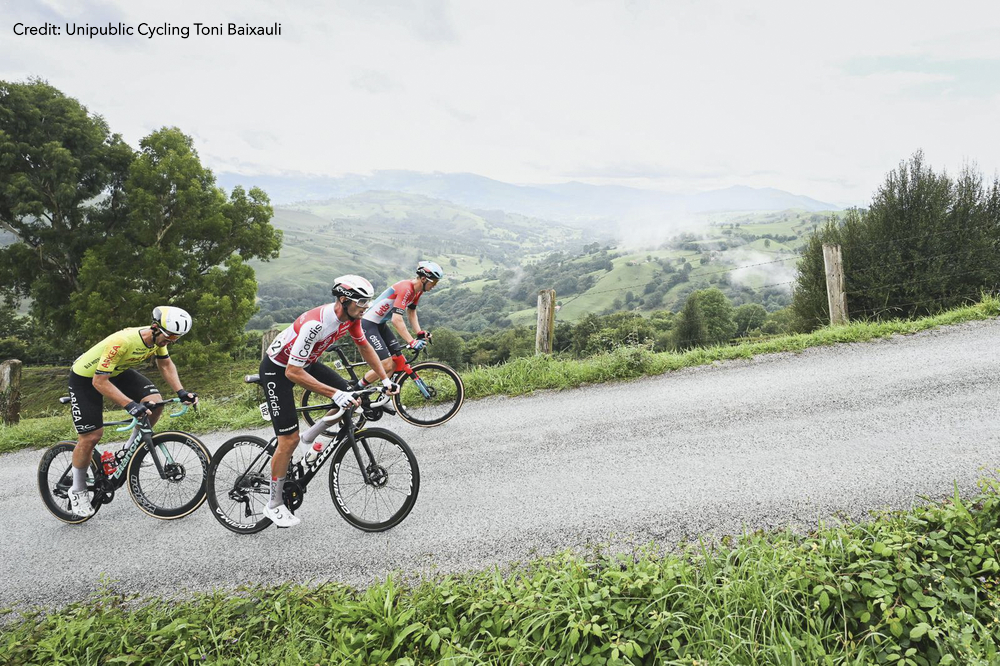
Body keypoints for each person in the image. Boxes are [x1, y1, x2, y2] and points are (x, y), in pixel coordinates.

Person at [260, 274, 399, 528]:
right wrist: (334, 394)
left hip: (306, 363)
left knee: (351, 395)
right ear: (344, 300)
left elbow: (365, 347)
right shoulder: (317, 324)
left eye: (368, 302)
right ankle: (274, 504)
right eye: (361, 302)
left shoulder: (351, 319)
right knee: (288, 440)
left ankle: (310, 436)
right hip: (278, 370)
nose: (366, 307)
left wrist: (385, 379)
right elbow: (292, 372)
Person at [67, 306, 199, 518]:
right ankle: (77, 489)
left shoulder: (158, 340)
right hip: (86, 378)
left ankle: (129, 451)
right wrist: (130, 405)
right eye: (170, 337)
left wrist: (181, 392)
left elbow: (166, 365)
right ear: (155, 328)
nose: (172, 341)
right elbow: (99, 382)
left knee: (155, 403)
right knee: (91, 436)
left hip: (116, 371)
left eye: (176, 338)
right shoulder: (123, 341)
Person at [358, 261, 443, 388]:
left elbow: (411, 311)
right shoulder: (407, 289)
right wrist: (411, 341)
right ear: (424, 279)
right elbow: (396, 319)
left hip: (380, 324)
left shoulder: (418, 291)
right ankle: (355, 390)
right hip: (367, 324)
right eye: (434, 282)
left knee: (396, 362)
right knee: (386, 365)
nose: (434, 285)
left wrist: (419, 333)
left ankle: (383, 394)